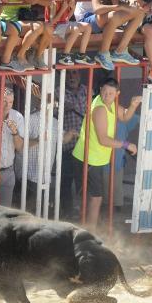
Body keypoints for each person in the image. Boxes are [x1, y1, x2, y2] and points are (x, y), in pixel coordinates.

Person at [71, 78, 140, 229]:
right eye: (104, 92)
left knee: (92, 198)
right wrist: (126, 145)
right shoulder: (100, 108)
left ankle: (86, 230)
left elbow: (124, 116)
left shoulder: (112, 104)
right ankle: (88, 233)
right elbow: (103, 139)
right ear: (100, 89)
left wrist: (133, 105)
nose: (107, 95)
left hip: (94, 159)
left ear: (117, 94)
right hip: (87, 159)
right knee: (94, 199)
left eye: (111, 93)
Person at [74, 0, 142, 70]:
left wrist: (131, 1)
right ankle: (103, 53)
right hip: (85, 20)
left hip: (104, 17)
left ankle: (120, 51)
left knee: (140, 12)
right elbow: (97, 9)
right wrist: (120, 7)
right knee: (114, 15)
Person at [59, 68, 86, 219]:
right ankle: (67, 212)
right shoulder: (58, 92)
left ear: (79, 75)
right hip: (67, 147)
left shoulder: (88, 91)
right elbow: (51, 115)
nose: (71, 76)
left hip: (84, 147)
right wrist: (61, 109)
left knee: (83, 182)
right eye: (68, 73)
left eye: (74, 73)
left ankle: (83, 212)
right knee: (66, 182)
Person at [0, 0, 46, 70]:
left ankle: (35, 55)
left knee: (47, 29)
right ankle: (20, 56)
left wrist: (37, 1)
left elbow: (50, 2)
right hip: (8, 20)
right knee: (38, 27)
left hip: (25, 18)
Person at [48, 0, 95, 66]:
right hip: (54, 27)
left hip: (64, 25)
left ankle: (81, 56)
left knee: (88, 27)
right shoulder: (53, 2)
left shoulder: (65, 1)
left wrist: (73, 8)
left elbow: (66, 19)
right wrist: (63, 9)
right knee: (75, 29)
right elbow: (52, 22)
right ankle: (64, 56)